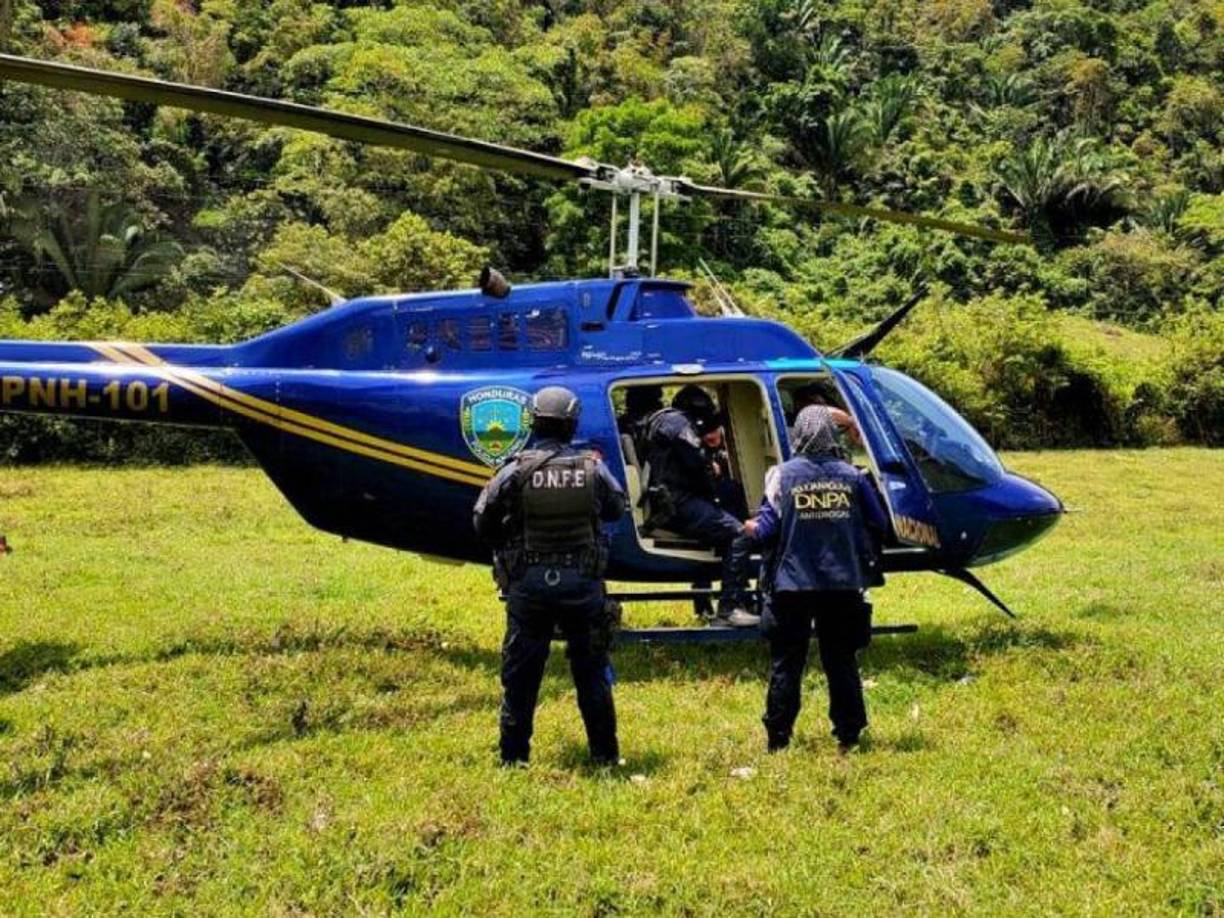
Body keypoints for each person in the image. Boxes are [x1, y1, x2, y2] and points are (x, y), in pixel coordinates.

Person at [473, 386, 628, 767]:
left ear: (534, 423)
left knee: (521, 676)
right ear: (572, 424)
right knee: (591, 672)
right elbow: (615, 509)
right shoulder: (593, 468)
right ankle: (604, 757)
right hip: (582, 583)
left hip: (529, 585)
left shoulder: (515, 469)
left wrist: (512, 543)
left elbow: (482, 520)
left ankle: (513, 759)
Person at [746, 405, 889, 752]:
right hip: (842, 584)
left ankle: (778, 739)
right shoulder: (854, 476)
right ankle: (849, 735)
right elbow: (880, 525)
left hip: (791, 586)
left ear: (799, 436)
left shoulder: (782, 475)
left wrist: (749, 527)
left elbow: (765, 530)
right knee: (841, 661)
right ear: (832, 435)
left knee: (786, 663)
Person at [641, 385, 757, 628]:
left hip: (672, 500)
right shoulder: (678, 423)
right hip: (676, 504)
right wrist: (712, 476)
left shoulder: (665, 420)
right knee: (739, 534)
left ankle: (737, 592)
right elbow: (697, 461)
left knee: (733, 492)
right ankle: (729, 608)